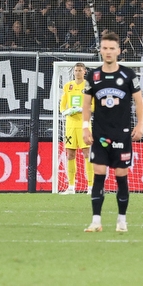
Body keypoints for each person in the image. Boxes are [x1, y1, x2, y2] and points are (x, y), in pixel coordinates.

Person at [82, 31, 143, 233]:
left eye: (112, 48)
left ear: (118, 51)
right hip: (99, 133)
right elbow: (85, 104)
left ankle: (121, 220)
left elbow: (139, 101)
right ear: (100, 50)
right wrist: (85, 127)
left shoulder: (128, 75)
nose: (108, 52)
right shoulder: (93, 75)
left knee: (120, 176)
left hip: (122, 134)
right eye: (105, 48)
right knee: (99, 174)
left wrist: (140, 124)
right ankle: (96, 220)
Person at [59, 62, 93, 194]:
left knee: (87, 154)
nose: (77, 72)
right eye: (76, 70)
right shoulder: (68, 86)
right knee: (70, 155)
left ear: (84, 71)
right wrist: (65, 111)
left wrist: (82, 108)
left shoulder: (89, 86)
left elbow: (94, 105)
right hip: (70, 125)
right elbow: (62, 105)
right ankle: (71, 187)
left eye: (80, 70)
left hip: (84, 125)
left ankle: (90, 187)